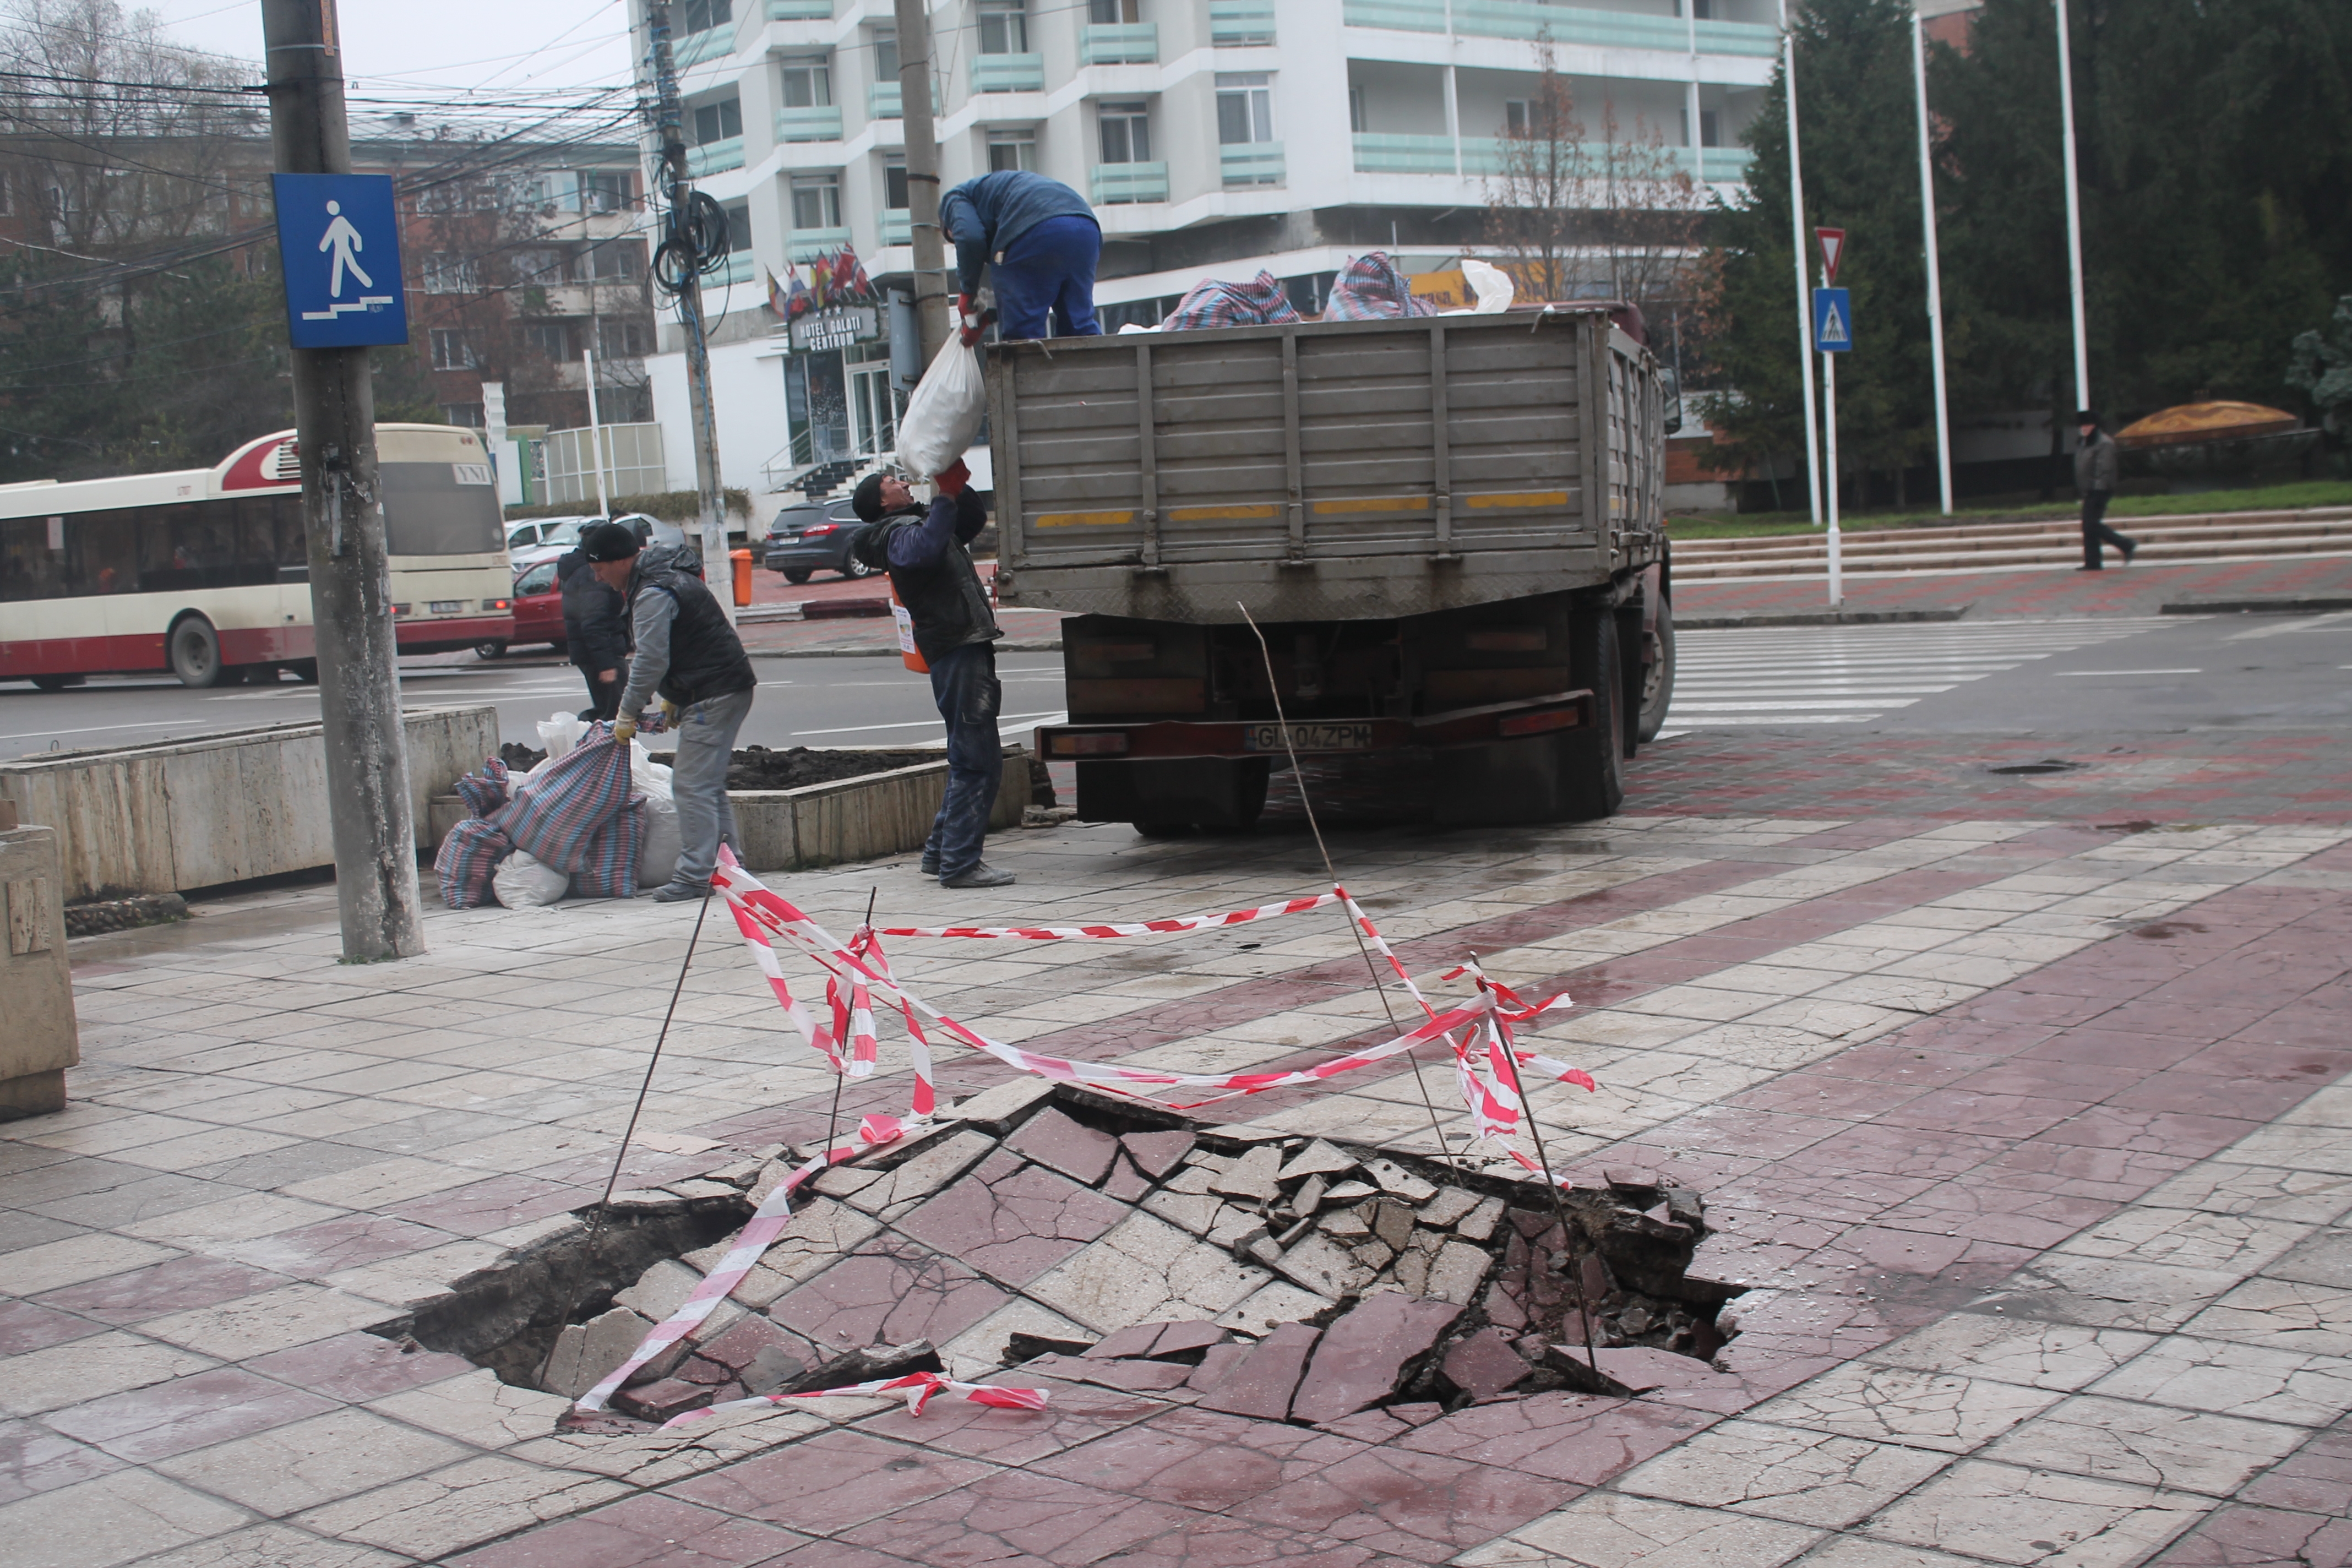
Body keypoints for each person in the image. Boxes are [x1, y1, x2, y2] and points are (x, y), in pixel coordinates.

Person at [850, 462, 1013, 889]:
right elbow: (922, 550)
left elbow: (970, 522)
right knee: (976, 759)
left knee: (974, 755)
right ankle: (960, 863)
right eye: (892, 482)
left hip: (962, 642)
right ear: (881, 501)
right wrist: (942, 498)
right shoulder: (897, 534)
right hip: (955, 645)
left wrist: (955, 488)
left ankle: (941, 853)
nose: (904, 483)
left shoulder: (917, 522)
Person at [580, 521, 758, 902]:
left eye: (599, 569)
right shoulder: (665, 578)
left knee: (690, 786)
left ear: (621, 560)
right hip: (719, 686)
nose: (598, 579)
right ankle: (730, 867)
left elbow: (650, 660)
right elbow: (685, 644)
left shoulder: (653, 593)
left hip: (715, 693)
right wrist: (675, 697)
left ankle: (695, 876)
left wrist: (627, 713)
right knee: (705, 784)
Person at [939, 170, 1101, 344]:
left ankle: (1026, 368)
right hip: (1086, 229)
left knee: (1023, 335)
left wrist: (967, 292)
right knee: (1078, 326)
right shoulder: (1003, 190)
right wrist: (988, 315)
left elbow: (970, 238)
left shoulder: (954, 199)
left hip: (1035, 228)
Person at [557, 543, 630, 720]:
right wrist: (607, 664)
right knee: (615, 715)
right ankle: (589, 739)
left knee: (612, 712)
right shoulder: (592, 575)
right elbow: (593, 622)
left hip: (596, 653)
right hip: (603, 653)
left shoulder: (580, 571)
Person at [2073, 410, 2137, 571]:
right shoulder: (2084, 442)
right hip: (2089, 490)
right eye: (2082, 425)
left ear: (2095, 425)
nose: (2084, 428)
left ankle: (2126, 544)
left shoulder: (2104, 443)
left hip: (2100, 490)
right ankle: (2093, 562)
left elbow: (2105, 469)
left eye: (2088, 425)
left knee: (2091, 525)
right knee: (2089, 526)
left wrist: (2097, 489)